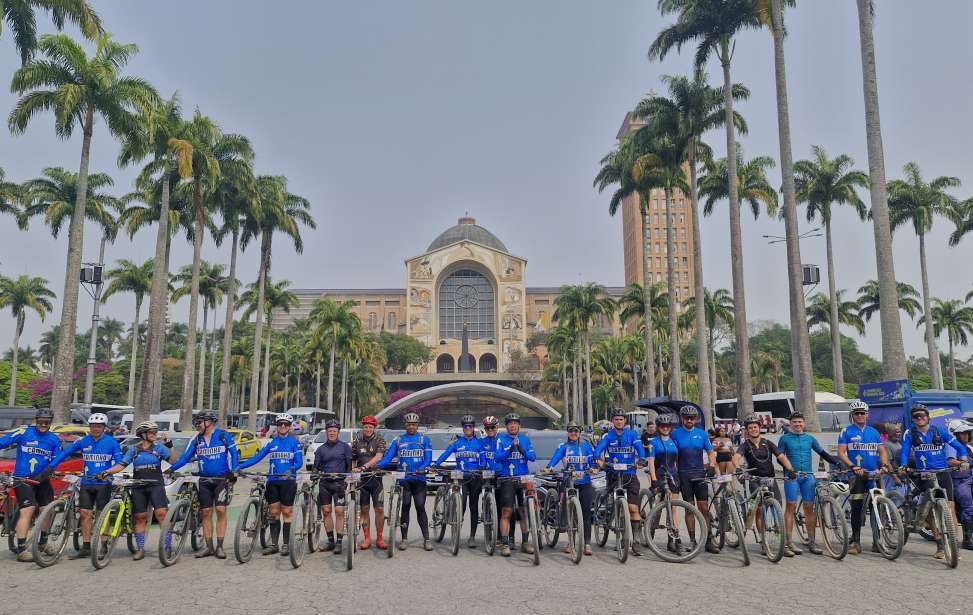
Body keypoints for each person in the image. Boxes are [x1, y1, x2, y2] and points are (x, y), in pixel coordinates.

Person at [45, 412, 122, 559]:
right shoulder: (83, 441)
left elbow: (119, 462)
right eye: (93, 426)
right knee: (85, 514)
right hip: (86, 483)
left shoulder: (112, 442)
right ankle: (86, 546)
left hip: (103, 483)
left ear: (104, 428)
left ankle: (103, 545)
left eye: (98, 426)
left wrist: (108, 472)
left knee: (101, 515)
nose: (95, 429)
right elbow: (65, 453)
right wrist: (51, 466)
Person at [899, 403, 968, 559]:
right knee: (931, 509)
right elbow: (904, 451)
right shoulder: (910, 433)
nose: (920, 418)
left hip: (943, 473)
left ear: (928, 417)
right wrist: (903, 465)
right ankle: (939, 545)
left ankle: (953, 545)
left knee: (950, 507)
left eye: (922, 415)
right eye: (916, 416)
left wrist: (963, 459)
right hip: (925, 474)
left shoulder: (939, 431)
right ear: (913, 419)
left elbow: (958, 446)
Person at [168, 410, 239, 559]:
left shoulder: (223, 435)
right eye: (197, 422)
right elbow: (186, 457)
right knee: (205, 513)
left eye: (200, 422)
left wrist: (234, 471)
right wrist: (172, 469)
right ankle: (209, 547)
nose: (198, 424)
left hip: (221, 479)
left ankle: (220, 547)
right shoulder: (197, 440)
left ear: (210, 422)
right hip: (204, 480)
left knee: (220, 510)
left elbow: (235, 454)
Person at [101, 421, 176, 560]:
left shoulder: (159, 448)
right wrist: (107, 471)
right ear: (143, 434)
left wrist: (170, 447)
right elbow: (121, 465)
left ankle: (167, 546)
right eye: (152, 432)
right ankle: (141, 549)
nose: (155, 434)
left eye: (155, 432)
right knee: (140, 517)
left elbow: (173, 461)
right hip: (138, 486)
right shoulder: (134, 449)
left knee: (161, 514)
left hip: (155, 485)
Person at [0, 408, 62, 562]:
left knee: (47, 510)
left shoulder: (54, 439)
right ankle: (22, 549)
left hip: (42, 480)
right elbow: (2, 443)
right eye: (40, 421)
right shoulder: (24, 432)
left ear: (50, 423)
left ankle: (43, 543)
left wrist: (48, 472)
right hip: (23, 478)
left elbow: (56, 460)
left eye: (46, 422)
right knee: (28, 510)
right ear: (36, 420)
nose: (43, 424)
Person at [777, 412, 840, 557]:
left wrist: (837, 463)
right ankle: (788, 542)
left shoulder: (810, 438)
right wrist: (789, 470)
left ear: (804, 423)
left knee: (809, 508)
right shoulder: (784, 439)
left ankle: (811, 541)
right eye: (795, 422)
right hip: (792, 476)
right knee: (791, 506)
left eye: (800, 422)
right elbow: (780, 457)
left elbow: (823, 453)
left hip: (808, 476)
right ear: (790, 424)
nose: (797, 424)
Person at [238, 413, 303, 556]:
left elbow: (299, 462)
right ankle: (274, 544)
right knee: (274, 513)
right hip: (273, 482)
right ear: (277, 426)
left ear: (290, 426)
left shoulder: (294, 443)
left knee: (286, 512)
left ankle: (286, 544)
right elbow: (257, 457)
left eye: (286, 424)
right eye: (280, 424)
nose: (283, 426)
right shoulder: (272, 443)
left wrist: (291, 470)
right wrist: (240, 466)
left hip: (287, 482)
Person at [837, 400, 889, 555]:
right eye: (856, 413)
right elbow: (841, 453)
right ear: (852, 416)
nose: (860, 416)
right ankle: (857, 543)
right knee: (857, 508)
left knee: (876, 508)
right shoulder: (846, 431)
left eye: (862, 413)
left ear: (867, 415)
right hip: (856, 475)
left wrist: (884, 465)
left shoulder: (874, 432)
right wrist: (853, 466)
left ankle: (876, 542)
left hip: (873, 475)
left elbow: (882, 451)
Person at [594, 408, 647, 556]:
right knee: (612, 502)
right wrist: (599, 460)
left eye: (621, 419)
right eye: (616, 419)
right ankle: (610, 519)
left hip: (630, 474)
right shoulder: (607, 435)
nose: (619, 421)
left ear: (625, 421)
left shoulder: (632, 434)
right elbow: (598, 450)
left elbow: (639, 449)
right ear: (613, 421)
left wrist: (641, 459)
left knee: (633, 508)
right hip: (613, 473)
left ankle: (635, 539)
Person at [377, 412, 433, 550]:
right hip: (404, 479)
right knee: (406, 506)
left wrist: (422, 468)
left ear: (417, 425)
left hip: (419, 478)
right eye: (409, 424)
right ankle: (404, 539)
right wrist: (377, 466)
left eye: (414, 424)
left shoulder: (424, 439)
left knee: (420, 507)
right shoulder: (399, 440)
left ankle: (427, 539)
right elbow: (388, 457)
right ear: (405, 425)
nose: (411, 427)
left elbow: (428, 458)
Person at [671, 404, 719, 553]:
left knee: (704, 508)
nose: (689, 420)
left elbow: (711, 452)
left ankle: (709, 539)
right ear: (682, 418)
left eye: (692, 417)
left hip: (699, 473)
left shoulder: (702, 434)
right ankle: (692, 541)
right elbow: (672, 455)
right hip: (684, 474)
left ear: (696, 419)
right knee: (689, 509)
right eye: (687, 417)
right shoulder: (675, 433)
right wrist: (674, 474)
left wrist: (711, 465)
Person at [433, 414, 486, 548]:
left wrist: (482, 466)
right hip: (461, 477)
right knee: (460, 505)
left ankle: (472, 537)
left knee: (473, 507)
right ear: (463, 428)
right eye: (465, 426)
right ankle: (457, 531)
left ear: (473, 428)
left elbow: (484, 459)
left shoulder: (479, 443)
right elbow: (446, 453)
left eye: (470, 426)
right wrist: (436, 464)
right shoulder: (457, 442)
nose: (468, 428)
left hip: (475, 477)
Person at [546, 422, 595, 556]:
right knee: (569, 512)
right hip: (568, 482)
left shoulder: (586, 446)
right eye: (571, 431)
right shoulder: (563, 447)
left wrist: (594, 467)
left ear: (580, 432)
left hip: (584, 482)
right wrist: (549, 467)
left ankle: (587, 544)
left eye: (576, 431)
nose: (574, 433)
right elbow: (555, 458)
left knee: (586, 513)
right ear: (568, 432)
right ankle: (570, 542)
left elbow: (592, 461)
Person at [494, 412, 537, 557]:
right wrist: (510, 449)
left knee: (523, 512)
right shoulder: (501, 439)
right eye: (510, 423)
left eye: (515, 423)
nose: (513, 425)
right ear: (506, 426)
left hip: (523, 478)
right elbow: (497, 457)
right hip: (508, 479)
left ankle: (525, 542)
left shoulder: (525, 439)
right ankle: (505, 543)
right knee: (507, 511)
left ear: (519, 425)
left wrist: (522, 450)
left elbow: (532, 457)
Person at [313, 419, 352, 553]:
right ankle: (330, 541)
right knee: (326, 511)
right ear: (326, 432)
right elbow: (315, 468)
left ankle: (339, 542)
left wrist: (347, 480)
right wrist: (313, 474)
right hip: (324, 484)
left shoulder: (345, 447)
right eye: (330, 431)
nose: (332, 433)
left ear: (338, 433)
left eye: (334, 431)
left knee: (339, 511)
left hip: (339, 484)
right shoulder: (320, 449)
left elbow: (349, 467)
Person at [646, 413, 683, 553]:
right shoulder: (653, 442)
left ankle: (673, 539)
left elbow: (677, 461)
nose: (665, 428)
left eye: (667, 426)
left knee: (673, 508)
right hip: (660, 476)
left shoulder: (674, 442)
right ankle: (651, 529)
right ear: (658, 427)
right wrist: (654, 480)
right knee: (660, 507)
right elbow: (650, 462)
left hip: (673, 476)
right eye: (662, 426)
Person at [353, 415, 388, 550]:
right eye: (365, 427)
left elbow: (379, 456)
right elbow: (353, 459)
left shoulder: (380, 440)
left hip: (376, 479)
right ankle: (367, 538)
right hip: (362, 481)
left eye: (370, 427)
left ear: (374, 428)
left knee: (379, 509)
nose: (368, 429)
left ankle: (379, 538)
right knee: (364, 509)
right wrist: (353, 470)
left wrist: (364, 467)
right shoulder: (357, 441)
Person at [947, 419, 973, 550]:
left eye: (967, 433)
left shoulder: (969, 448)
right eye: (963, 433)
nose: (966, 436)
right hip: (958, 482)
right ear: (955, 434)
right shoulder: (952, 446)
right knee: (969, 507)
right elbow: (950, 461)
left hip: (969, 478)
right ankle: (967, 540)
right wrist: (961, 463)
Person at [478, 415, 502, 548]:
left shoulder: (502, 440)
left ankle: (499, 537)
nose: (490, 430)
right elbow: (480, 455)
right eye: (487, 428)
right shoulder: (482, 442)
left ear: (497, 427)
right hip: (487, 474)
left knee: (499, 506)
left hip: (500, 474)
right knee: (486, 497)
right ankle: (485, 511)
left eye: (492, 427)